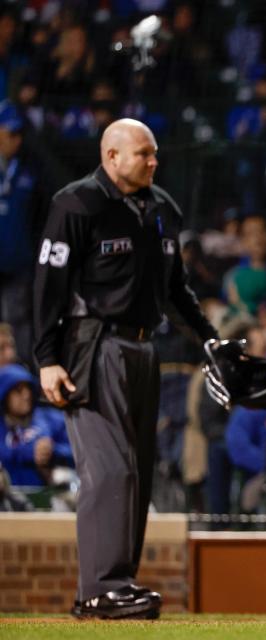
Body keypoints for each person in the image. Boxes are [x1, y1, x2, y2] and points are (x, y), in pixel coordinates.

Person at [32, 119, 218, 620]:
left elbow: (176, 290)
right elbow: (49, 287)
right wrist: (47, 359)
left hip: (144, 347)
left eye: (154, 153)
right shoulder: (77, 203)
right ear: (111, 156)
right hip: (91, 346)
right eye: (143, 154)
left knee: (135, 471)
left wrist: (210, 339)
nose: (154, 162)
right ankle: (98, 588)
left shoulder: (162, 208)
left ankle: (119, 585)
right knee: (109, 468)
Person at [0, 101, 43, 366]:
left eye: (18, 135)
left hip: (18, 267)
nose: (14, 140)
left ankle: (20, 380)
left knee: (17, 324)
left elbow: (39, 218)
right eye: (9, 133)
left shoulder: (30, 170)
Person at [0, 364, 72, 487]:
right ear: (4, 394)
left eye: (28, 388)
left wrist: (53, 451)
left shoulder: (50, 418)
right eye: (18, 390)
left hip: (53, 495)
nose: (26, 395)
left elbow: (78, 450)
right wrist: (29, 452)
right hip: (8, 499)